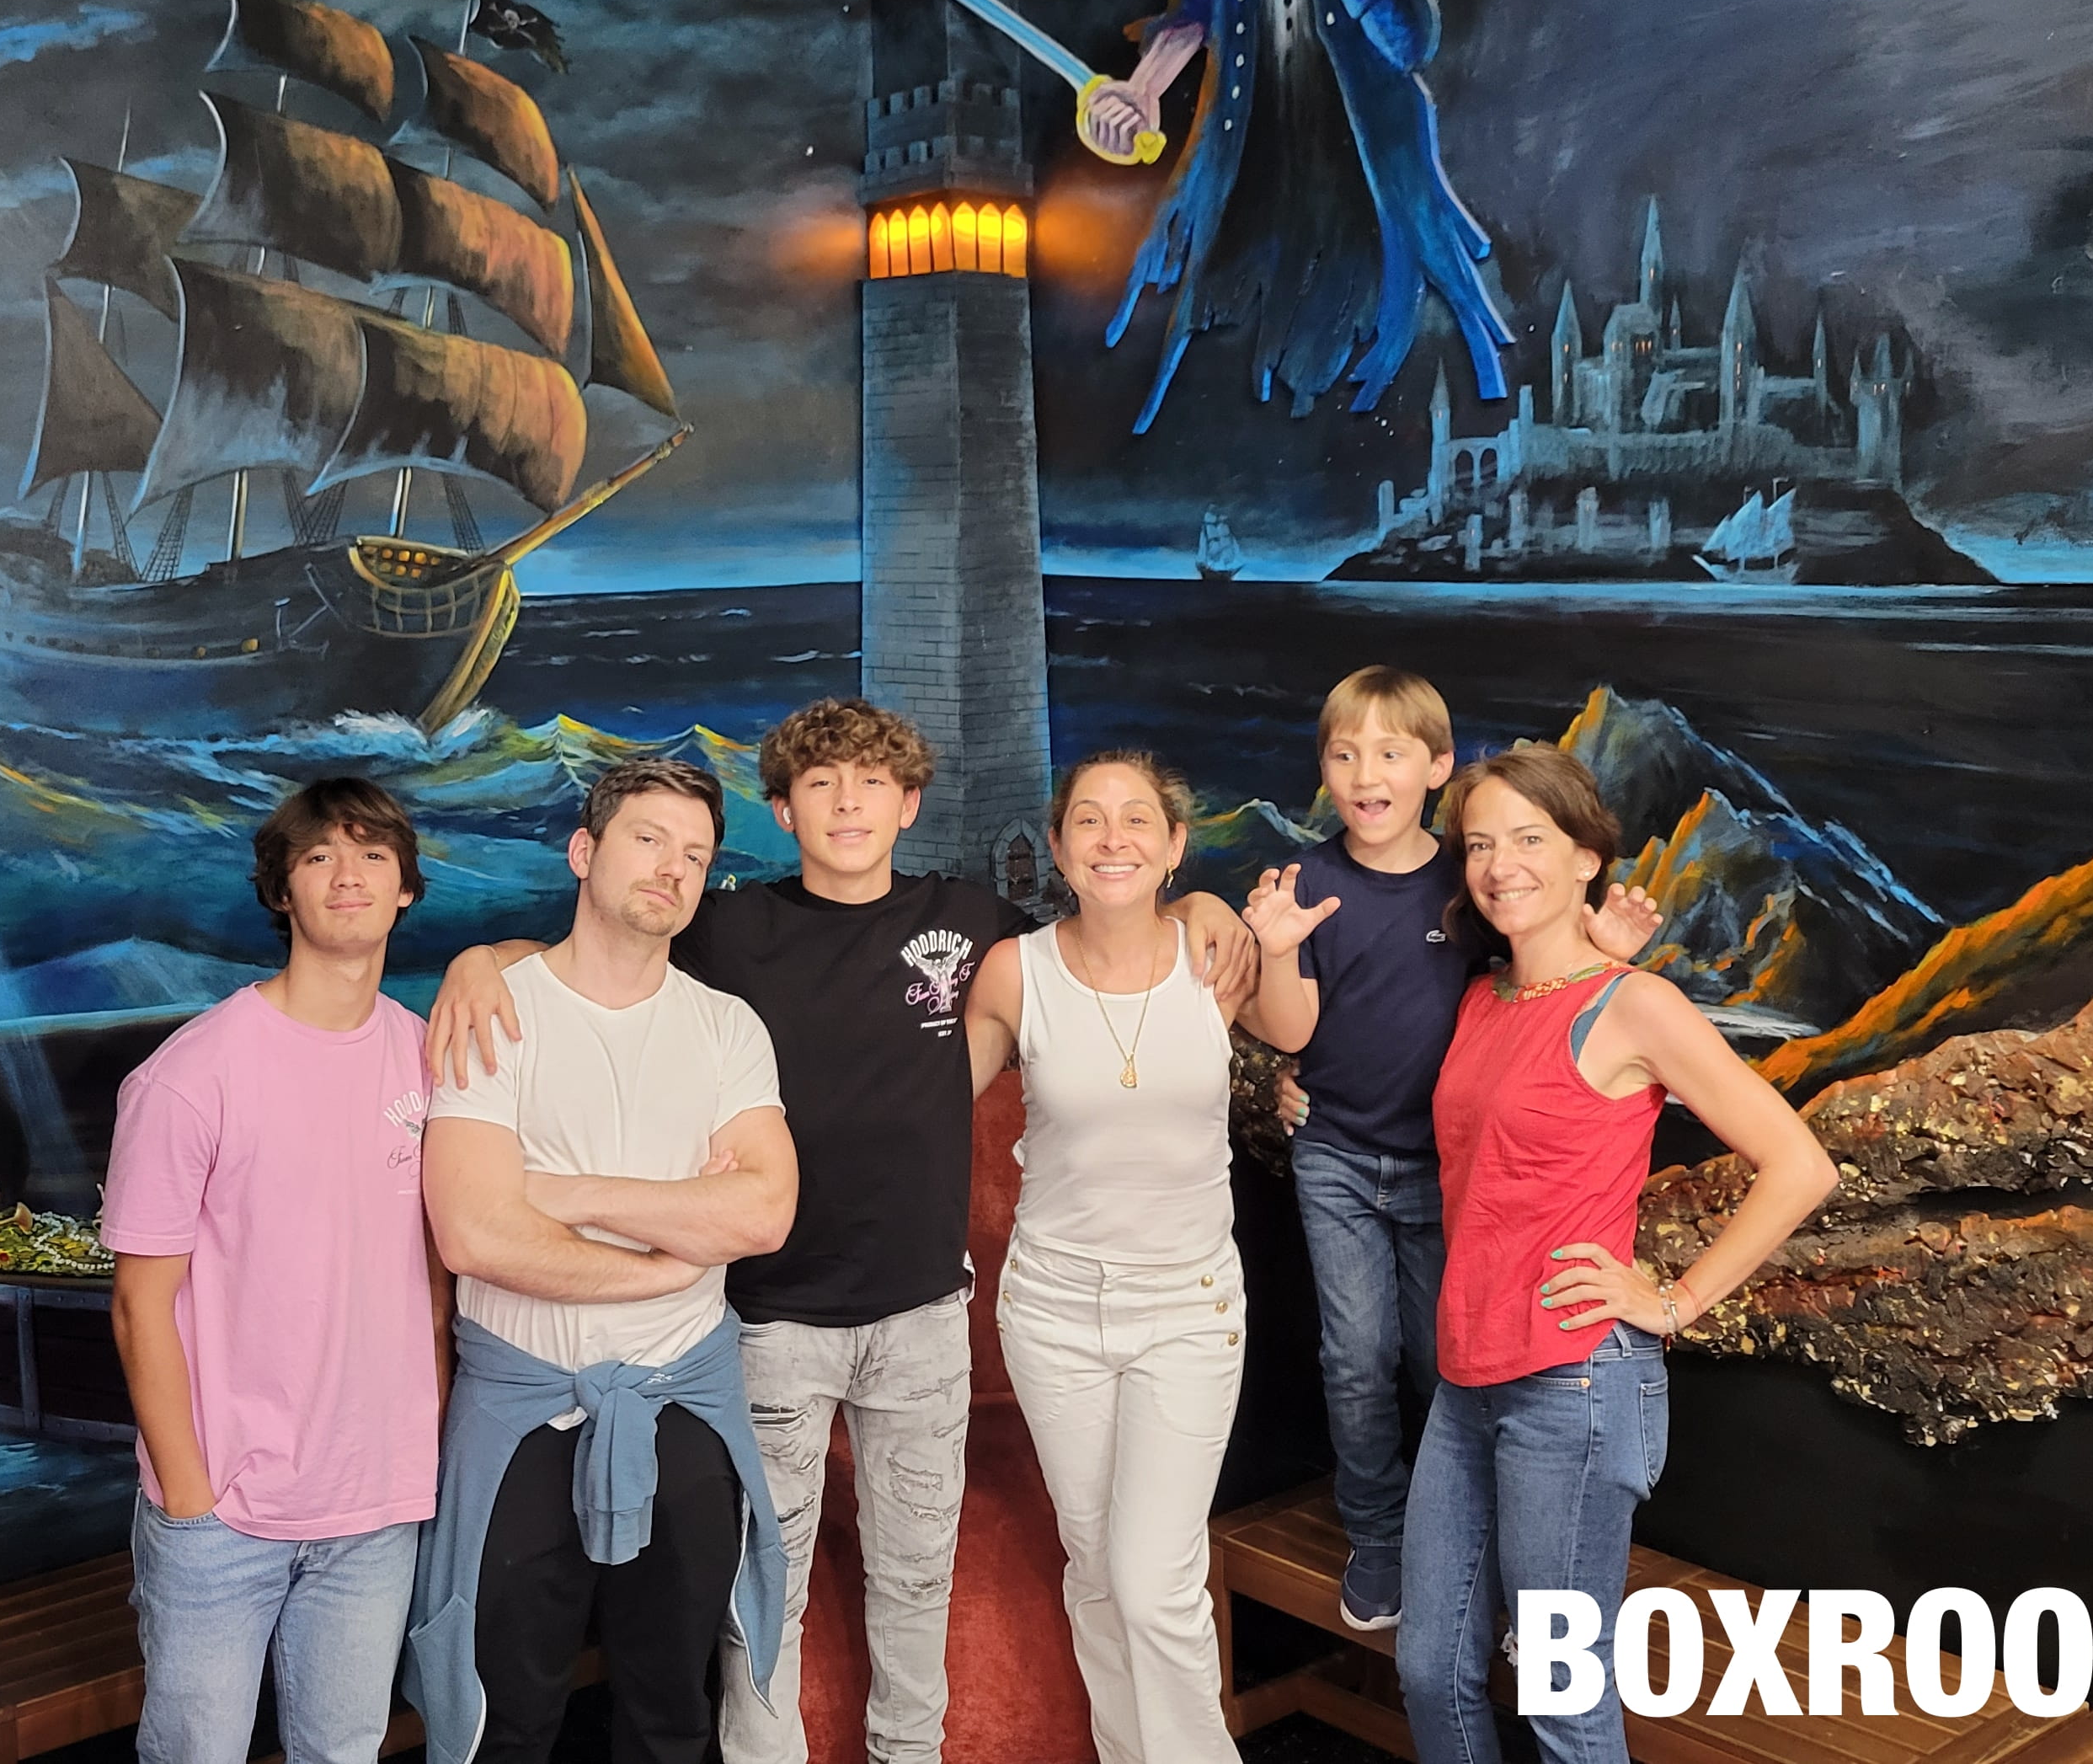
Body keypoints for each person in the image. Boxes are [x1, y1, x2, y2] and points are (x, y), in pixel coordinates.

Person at [427, 700, 1257, 1764]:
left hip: (923, 1314)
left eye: (873, 782)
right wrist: (479, 959)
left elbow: (1113, 915)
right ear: (783, 811)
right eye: (821, 784)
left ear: (909, 805)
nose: (849, 803)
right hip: (770, 1324)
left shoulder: (974, 920)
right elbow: (598, 944)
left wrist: (1202, 904)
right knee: (762, 1593)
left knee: (916, 1582)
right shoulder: (729, 929)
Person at [1393, 745, 1838, 1764]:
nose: (1500, 865)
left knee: (1562, 1693)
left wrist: (1676, 1300)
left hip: (1575, 1382)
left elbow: (1800, 1165)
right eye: (1479, 845)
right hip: (1467, 1375)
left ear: (1587, 856)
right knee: (1430, 1668)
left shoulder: (1635, 1005)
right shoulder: (1483, 999)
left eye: (1529, 839)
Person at [1239, 668, 1658, 1632]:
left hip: (1447, 1171)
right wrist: (1276, 950)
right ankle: (1380, 1535)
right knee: (1356, 1359)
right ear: (1322, 769)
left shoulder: (1469, 881)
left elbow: (1538, 994)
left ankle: (1485, 1547)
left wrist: (1608, 952)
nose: (1365, 774)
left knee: (1448, 1364)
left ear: (1437, 767)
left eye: (1390, 753)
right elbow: (1294, 1032)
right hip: (1337, 1157)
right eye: (1344, 755)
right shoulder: (1308, 884)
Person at [406, 758, 800, 1764]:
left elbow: (763, 1211)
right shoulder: (495, 1012)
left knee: (672, 1713)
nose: (672, 867)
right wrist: (669, 1258)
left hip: (682, 1407)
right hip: (522, 1414)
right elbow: (476, 1235)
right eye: (648, 839)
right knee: (504, 1719)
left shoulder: (726, 1028)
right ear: (585, 851)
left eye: (696, 855)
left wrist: (563, 1195)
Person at [104, 777, 446, 1764]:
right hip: (224, 1513)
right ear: (281, 890)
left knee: (343, 1752)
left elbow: (436, 1280)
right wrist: (188, 1496)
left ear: (406, 889)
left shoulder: (429, 1061)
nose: (348, 876)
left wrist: (419, 1443)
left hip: (376, 1506)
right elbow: (138, 1307)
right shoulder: (190, 1076)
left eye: (374, 855)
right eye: (319, 856)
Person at [962, 752, 1245, 1764]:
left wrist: (1222, 911)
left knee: (1152, 1581)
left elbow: (1307, 1030)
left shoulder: (1217, 957)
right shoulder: (1015, 970)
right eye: (1088, 819)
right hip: (1053, 1310)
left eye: (1137, 820)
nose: (1112, 837)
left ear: (1174, 845)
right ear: (1057, 845)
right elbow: (927, 1104)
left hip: (1188, 1309)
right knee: (1093, 1568)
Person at [1092, 0, 1511, 430]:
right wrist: (1143, 90)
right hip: (1251, 166)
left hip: (1368, 174)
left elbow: (1413, 41)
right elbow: (1197, 8)